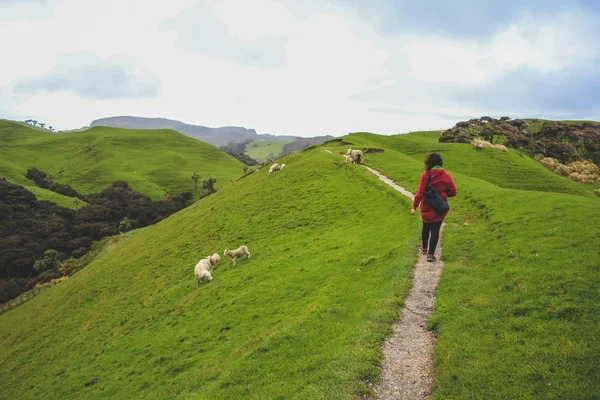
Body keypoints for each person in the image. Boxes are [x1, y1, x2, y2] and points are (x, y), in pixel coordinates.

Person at [411, 153, 457, 262]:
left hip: (426, 205)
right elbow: (453, 192)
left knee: (426, 226)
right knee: (435, 230)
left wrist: (414, 206)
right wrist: (443, 195)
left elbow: (420, 192)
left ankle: (424, 248)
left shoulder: (426, 174)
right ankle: (431, 255)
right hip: (439, 207)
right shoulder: (446, 175)